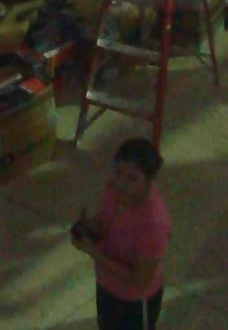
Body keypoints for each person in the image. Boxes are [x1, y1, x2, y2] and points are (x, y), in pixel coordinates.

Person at [72, 137, 171, 330]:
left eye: (132, 178)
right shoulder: (114, 187)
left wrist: (92, 252)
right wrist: (91, 226)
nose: (121, 183)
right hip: (106, 286)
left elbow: (139, 281)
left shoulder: (154, 224)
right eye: (118, 173)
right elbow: (107, 218)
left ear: (149, 181)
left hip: (133, 303)